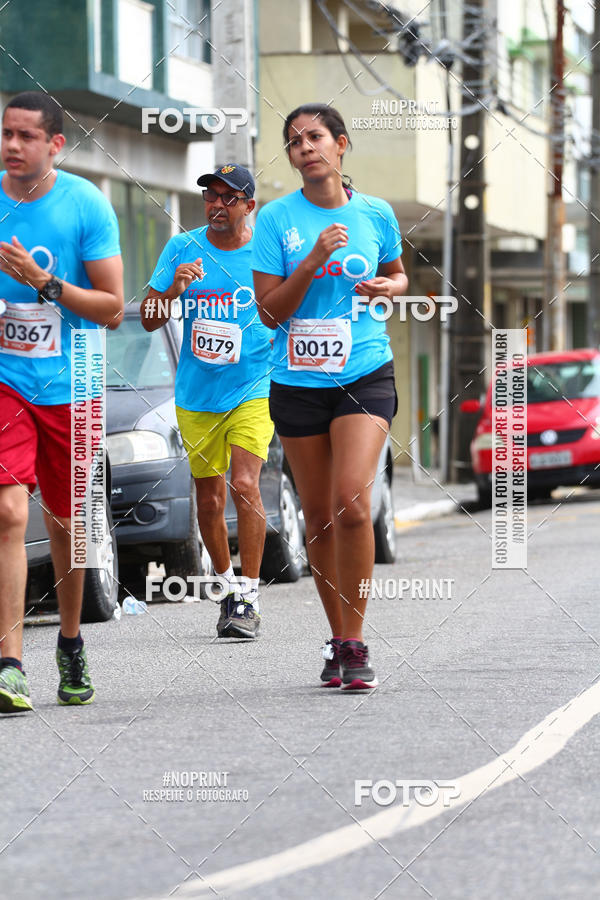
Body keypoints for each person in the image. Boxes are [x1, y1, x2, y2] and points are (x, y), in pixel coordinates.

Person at [252, 103, 408, 690]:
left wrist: (384, 287)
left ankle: (358, 639)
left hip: (365, 371)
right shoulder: (275, 220)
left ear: (341, 145)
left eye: (315, 137)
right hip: (296, 379)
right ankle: (337, 636)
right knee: (316, 515)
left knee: (351, 502)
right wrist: (314, 258)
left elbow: (399, 275)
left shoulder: (376, 213)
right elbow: (269, 312)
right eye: (294, 142)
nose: (305, 148)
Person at [0, 91, 124, 713]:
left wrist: (43, 282)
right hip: (6, 380)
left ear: (55, 144)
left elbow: (112, 308)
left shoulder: (86, 205)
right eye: (5, 134)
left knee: (68, 524)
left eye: (25, 136)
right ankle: (9, 661)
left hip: (73, 381)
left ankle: (70, 642)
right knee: (7, 511)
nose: (12, 146)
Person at [141, 165, 273, 639]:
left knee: (244, 484)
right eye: (210, 198)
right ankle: (227, 589)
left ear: (248, 206)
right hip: (197, 394)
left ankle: (251, 595)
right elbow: (148, 319)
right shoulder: (182, 248)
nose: (216, 205)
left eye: (228, 197)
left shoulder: (267, 252)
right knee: (210, 498)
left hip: (254, 387)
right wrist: (173, 290)